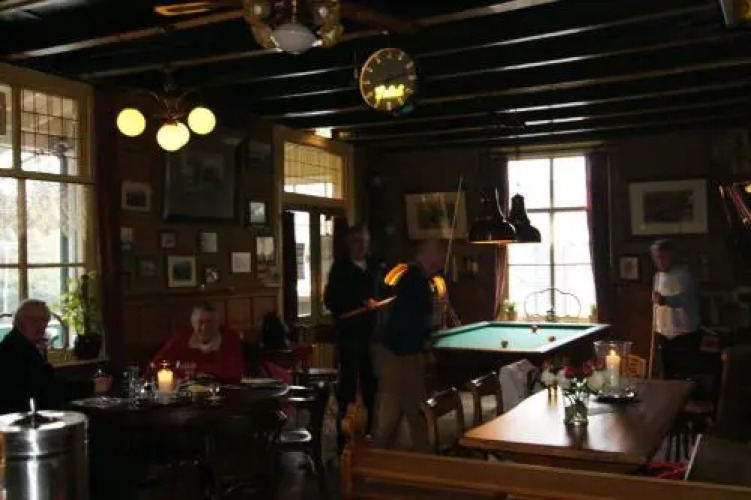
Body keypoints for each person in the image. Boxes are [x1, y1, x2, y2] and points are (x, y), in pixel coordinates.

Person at [374, 239, 445, 452]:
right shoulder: (414, 280)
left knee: (415, 411)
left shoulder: (419, 279)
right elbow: (411, 321)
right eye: (438, 255)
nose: (441, 260)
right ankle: (372, 459)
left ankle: (424, 457)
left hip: (406, 353)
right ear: (427, 256)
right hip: (397, 355)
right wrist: (426, 347)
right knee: (392, 415)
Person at [0, 299, 109, 414]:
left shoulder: (23, 344)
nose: (41, 325)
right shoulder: (15, 349)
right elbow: (47, 390)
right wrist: (92, 386)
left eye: (44, 320)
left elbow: (47, 383)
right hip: (17, 419)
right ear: (19, 321)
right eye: (33, 320)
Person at [324, 224, 380, 444]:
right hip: (349, 335)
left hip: (371, 334)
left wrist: (375, 303)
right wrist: (359, 302)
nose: (362, 246)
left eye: (365, 241)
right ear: (349, 243)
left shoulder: (374, 266)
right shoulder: (340, 268)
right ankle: (343, 434)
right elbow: (330, 301)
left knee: (371, 384)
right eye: (357, 241)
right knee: (347, 385)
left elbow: (381, 292)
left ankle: (370, 431)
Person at [150, 303, 245, 382]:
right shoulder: (181, 337)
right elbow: (156, 365)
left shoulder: (229, 338)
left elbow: (235, 374)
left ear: (218, 324)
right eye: (200, 322)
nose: (204, 328)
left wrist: (199, 373)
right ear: (193, 324)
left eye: (209, 322)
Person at [651, 239, 700, 378]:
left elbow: (683, 299)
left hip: (683, 334)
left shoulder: (684, 275)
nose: (660, 261)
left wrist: (664, 300)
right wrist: (656, 326)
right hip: (663, 333)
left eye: (663, 257)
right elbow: (656, 305)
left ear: (671, 255)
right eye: (657, 258)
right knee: (667, 374)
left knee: (685, 374)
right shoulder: (657, 276)